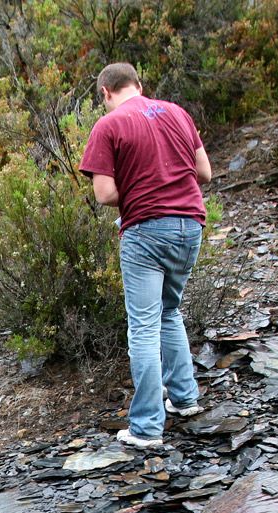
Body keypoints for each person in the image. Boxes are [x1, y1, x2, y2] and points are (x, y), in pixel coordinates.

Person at [79, 62, 211, 450]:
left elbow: (104, 194)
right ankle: (185, 398)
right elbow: (204, 172)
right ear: (138, 84)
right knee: (170, 311)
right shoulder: (178, 113)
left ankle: (147, 427)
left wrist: (138, 188)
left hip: (146, 231)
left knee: (143, 327)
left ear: (105, 93)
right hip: (190, 226)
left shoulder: (109, 125)